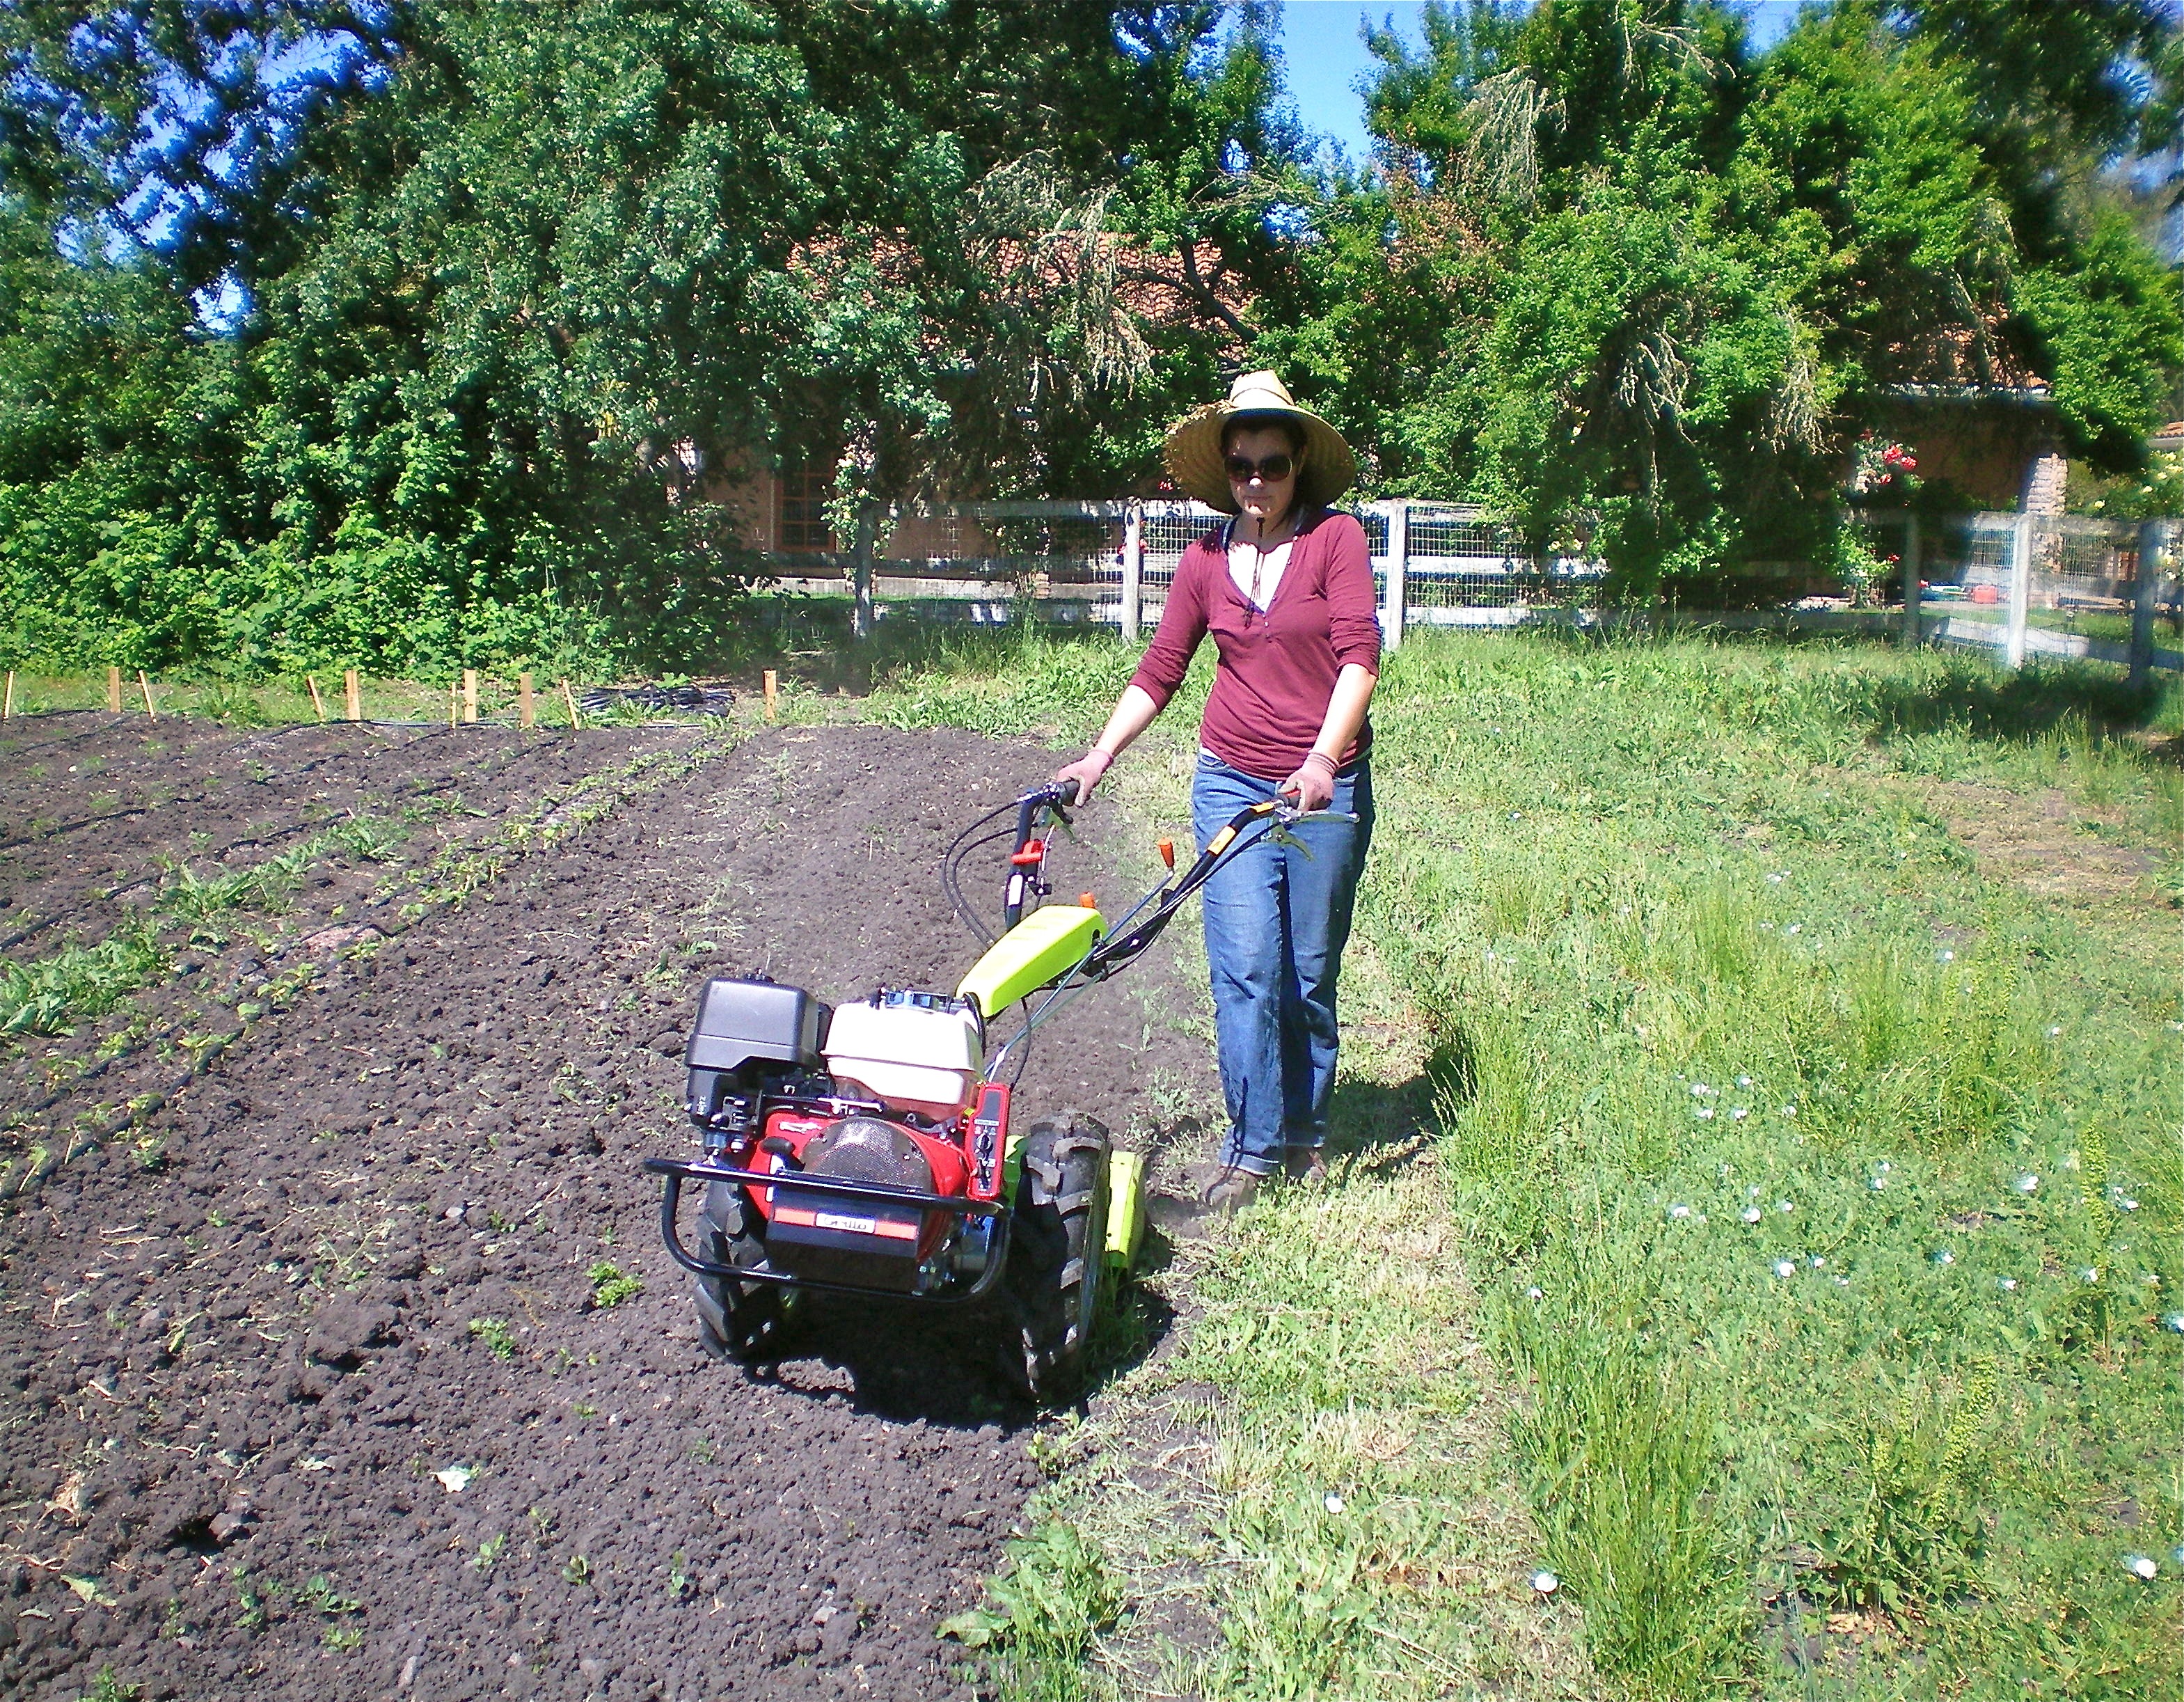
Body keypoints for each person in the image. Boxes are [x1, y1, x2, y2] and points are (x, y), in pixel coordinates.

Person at [1054, 372, 1379, 1215]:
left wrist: (1320, 760)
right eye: (1243, 467)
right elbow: (1161, 670)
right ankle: (1252, 1149)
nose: (1258, 481)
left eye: (1273, 464)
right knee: (1243, 967)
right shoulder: (1204, 561)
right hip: (1231, 781)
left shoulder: (1336, 540)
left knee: (1306, 971)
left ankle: (1305, 1134)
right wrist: (1097, 758)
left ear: (1299, 462)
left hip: (1325, 788)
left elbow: (1358, 657)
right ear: (1226, 472)